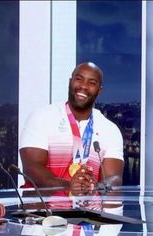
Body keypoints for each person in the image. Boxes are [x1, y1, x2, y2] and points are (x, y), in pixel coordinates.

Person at [19, 62, 124, 192]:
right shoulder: (41, 117)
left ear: (99, 90)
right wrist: (68, 185)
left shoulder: (110, 130)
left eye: (91, 82)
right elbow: (31, 168)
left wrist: (94, 187)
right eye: (79, 79)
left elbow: (114, 177)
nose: (84, 86)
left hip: (88, 211)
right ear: (70, 82)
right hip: (44, 211)